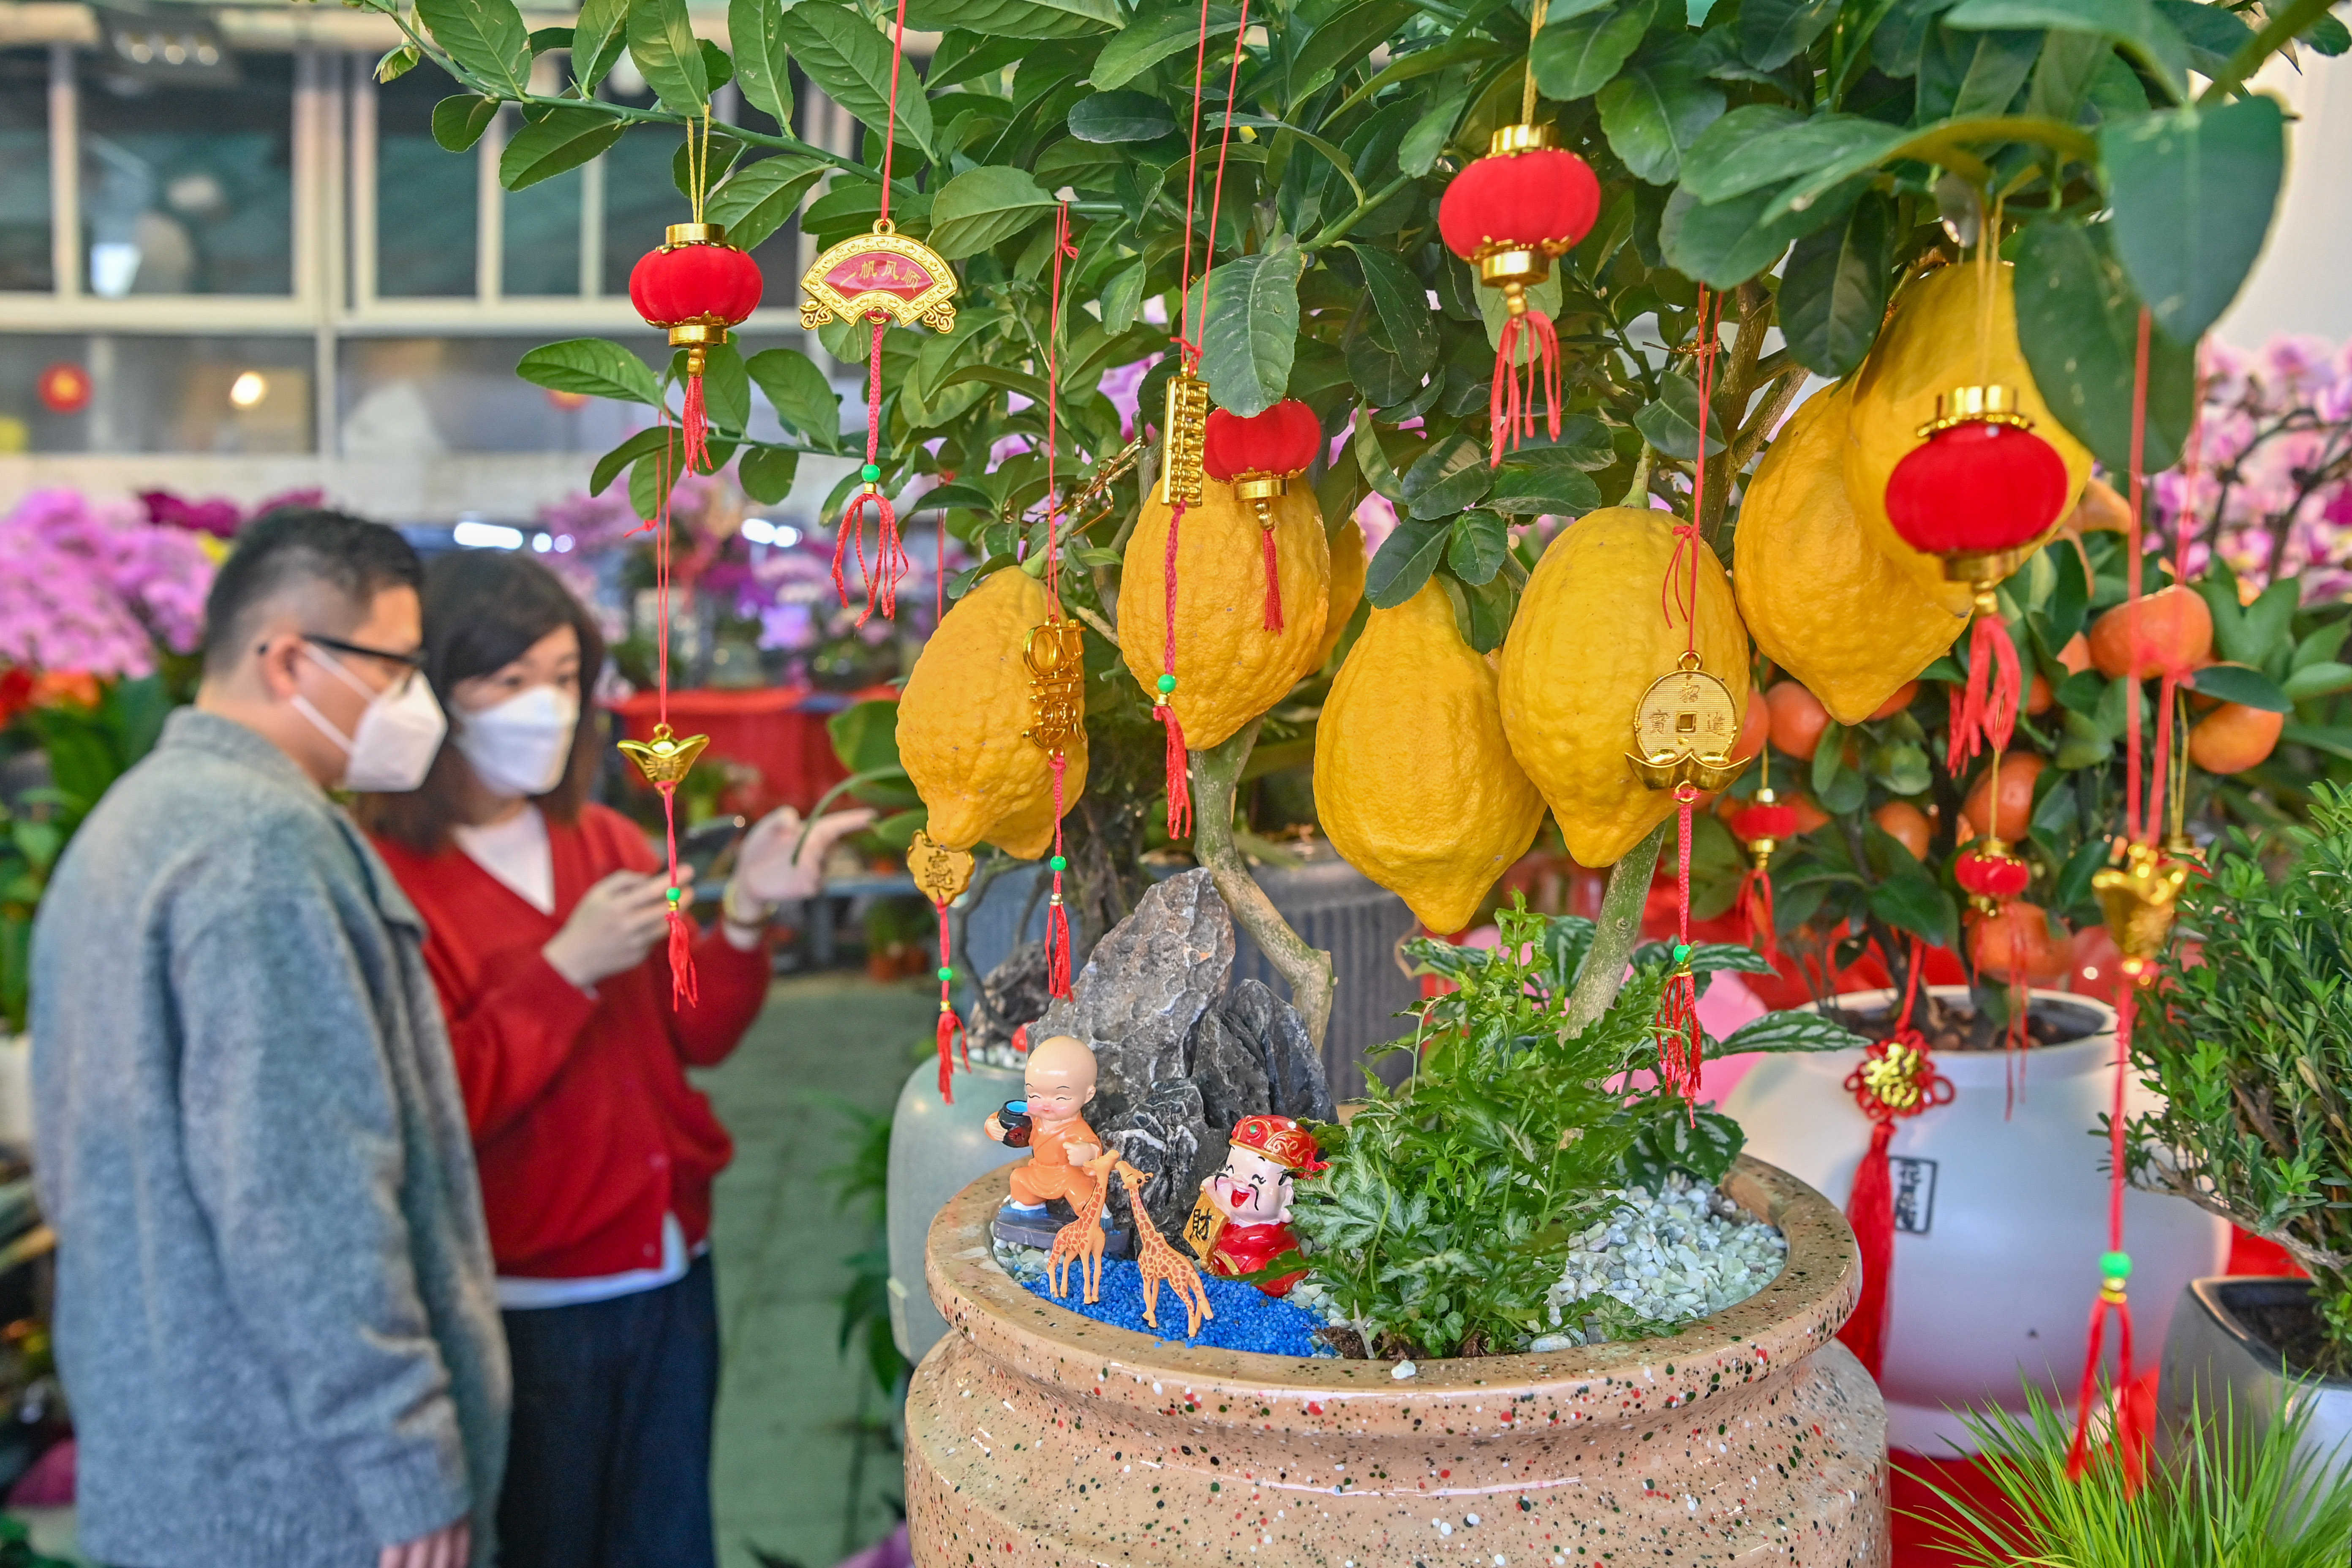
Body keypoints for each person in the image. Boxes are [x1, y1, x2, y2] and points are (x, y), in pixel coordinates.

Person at [354, 550, 870, 1568]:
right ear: (434, 692)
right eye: (507, 683)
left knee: (668, 1535)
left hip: (669, 1269)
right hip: (525, 1297)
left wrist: (747, 917)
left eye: (559, 678)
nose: (541, 707)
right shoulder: (389, 880)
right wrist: (563, 969)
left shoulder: (607, 840)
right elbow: (428, 1103)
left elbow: (695, 1034)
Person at [31, 509, 508, 1568]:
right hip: (302, 1488)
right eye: (393, 667)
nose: (411, 706)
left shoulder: (131, 823)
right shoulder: (263, 847)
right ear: (290, 657)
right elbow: (302, 1194)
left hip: (178, 1454)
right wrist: (403, 1455)